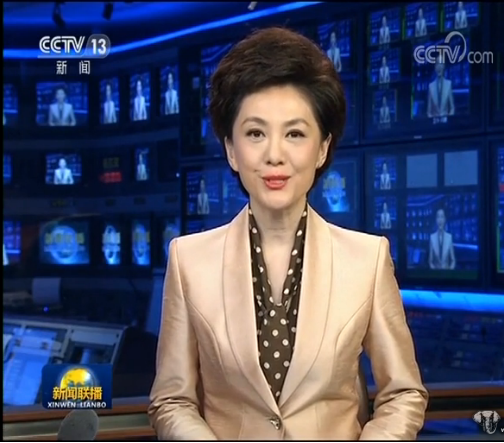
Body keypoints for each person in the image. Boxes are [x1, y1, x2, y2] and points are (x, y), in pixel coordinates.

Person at [149, 27, 427, 441]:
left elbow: (403, 393)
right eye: (255, 133)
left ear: (322, 148)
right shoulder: (189, 259)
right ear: (231, 149)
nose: (274, 154)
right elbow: (172, 400)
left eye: (294, 134)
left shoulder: (367, 259)